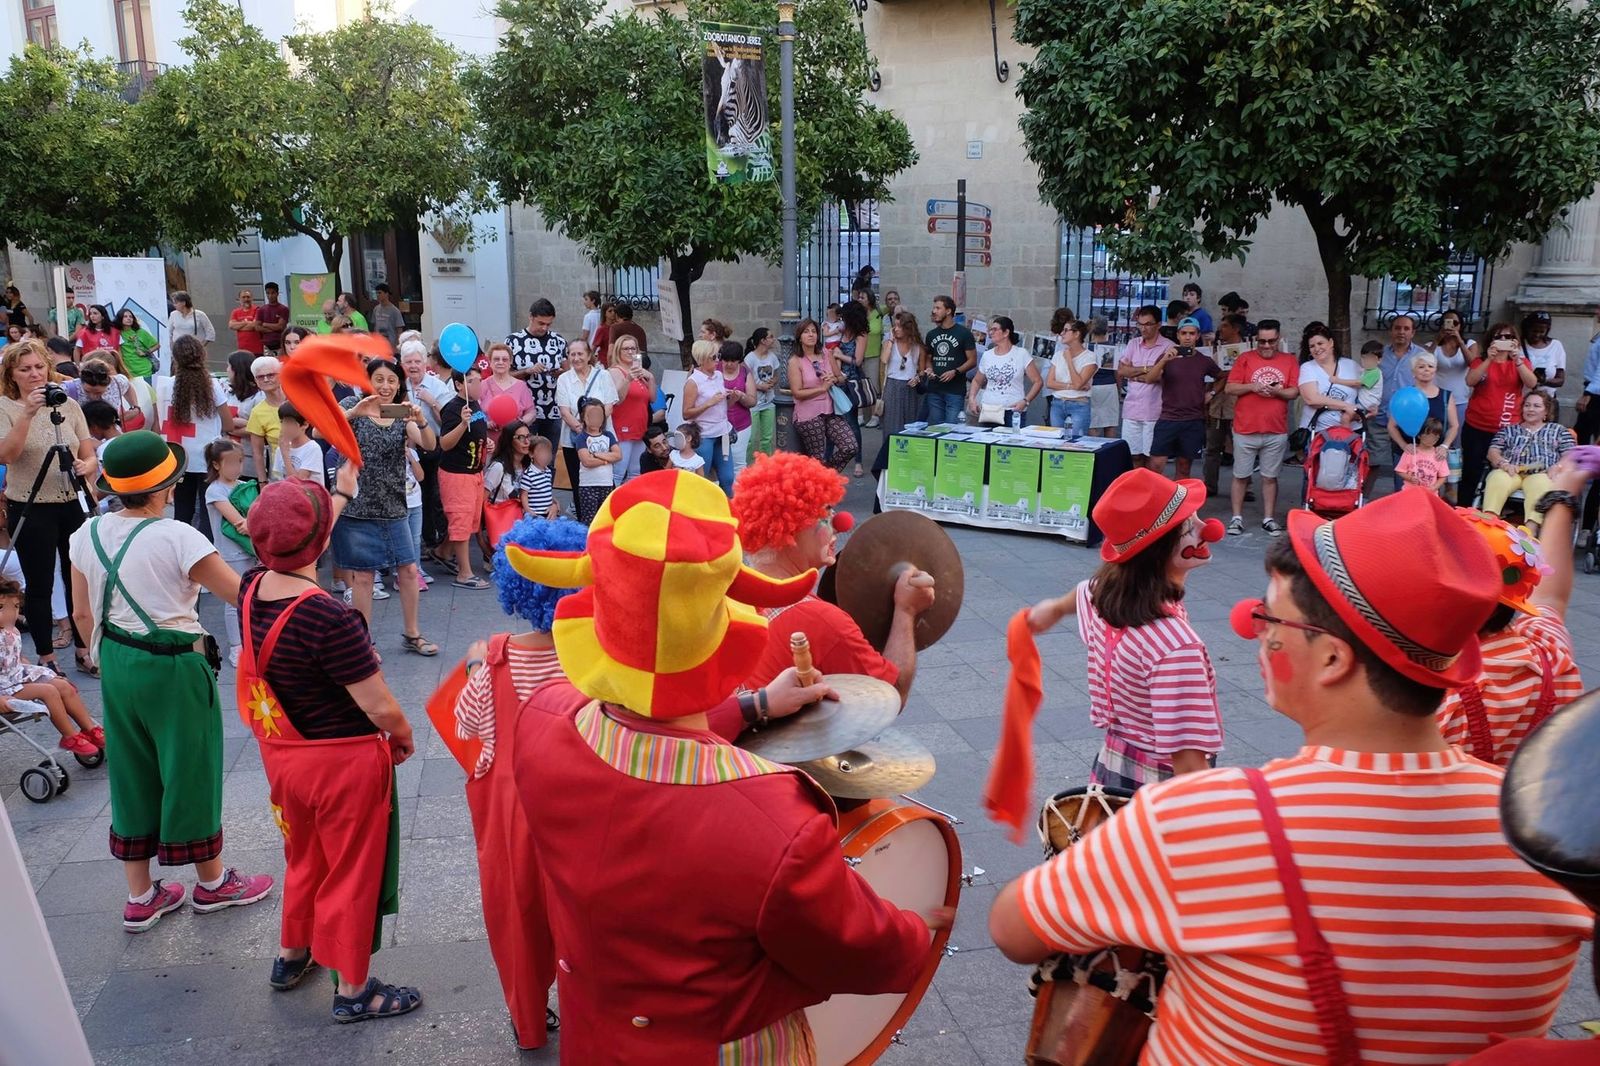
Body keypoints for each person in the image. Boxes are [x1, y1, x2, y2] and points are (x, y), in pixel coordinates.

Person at [990, 488, 1594, 1061]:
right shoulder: (1540, 837)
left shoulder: (1203, 820)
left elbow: (1013, 929)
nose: (1257, 632)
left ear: (1332, 659)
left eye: (1272, 621)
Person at [503, 471, 942, 1060]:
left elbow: (644, 739)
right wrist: (918, 927)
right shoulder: (773, 821)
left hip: (594, 1035)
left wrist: (756, 706)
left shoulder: (543, 720)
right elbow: (868, 952)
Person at [68, 431, 274, 932]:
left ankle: (141, 895)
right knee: (190, 765)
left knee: (132, 769)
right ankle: (212, 882)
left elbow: (80, 613)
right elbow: (239, 596)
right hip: (175, 662)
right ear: (169, 484)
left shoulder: (86, 534)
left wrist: (105, 659)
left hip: (117, 660)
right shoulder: (178, 535)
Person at [238, 475, 419, 1022]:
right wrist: (404, 735)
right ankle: (355, 990)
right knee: (351, 870)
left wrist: (337, 494)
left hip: (285, 757)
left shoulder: (250, 586)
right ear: (322, 544)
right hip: (340, 764)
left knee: (304, 856)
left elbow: (303, 532)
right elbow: (380, 707)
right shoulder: (330, 617)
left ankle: (292, 956)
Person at [452, 515, 589, 1049]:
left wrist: (472, 669)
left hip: (516, 819)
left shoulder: (498, 663)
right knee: (582, 922)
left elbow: (468, 724)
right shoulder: (596, 664)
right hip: (580, 810)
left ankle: (529, 1021)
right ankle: (587, 1010)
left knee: (519, 922)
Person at [1024, 468, 1223, 787]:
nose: (1208, 529)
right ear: (1158, 552)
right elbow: (1188, 765)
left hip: (1114, 768)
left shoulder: (1104, 597)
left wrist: (1054, 609)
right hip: (1160, 787)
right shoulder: (1175, 647)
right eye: (1189, 526)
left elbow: (1084, 589)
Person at [734, 452, 935, 702]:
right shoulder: (822, 620)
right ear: (789, 530)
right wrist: (906, 610)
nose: (842, 524)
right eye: (826, 515)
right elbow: (892, 695)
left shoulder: (731, 595)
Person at [1436, 466, 1588, 766]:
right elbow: (1551, 598)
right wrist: (1563, 497)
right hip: (1536, 810)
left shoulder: (1438, 697)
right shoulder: (1548, 653)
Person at [0, 339, 100, 674]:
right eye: (25, 369)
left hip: (71, 500)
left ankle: (84, 649)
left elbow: (88, 451)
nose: (34, 374)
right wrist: (28, 412)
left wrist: (88, 465)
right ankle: (46, 656)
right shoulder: (5, 406)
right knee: (39, 583)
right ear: (12, 374)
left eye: (39, 367)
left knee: (79, 580)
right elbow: (7, 456)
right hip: (30, 505)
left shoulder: (68, 404)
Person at [334, 360, 439, 655]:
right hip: (357, 504)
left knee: (408, 570)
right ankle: (363, 643)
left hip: (394, 504)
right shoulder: (354, 403)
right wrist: (355, 412)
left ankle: (412, 633)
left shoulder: (401, 410)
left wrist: (420, 419)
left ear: (398, 384)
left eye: (391, 380)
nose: (385, 386)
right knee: (364, 576)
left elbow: (429, 444)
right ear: (368, 381)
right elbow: (322, 431)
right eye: (378, 379)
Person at [0, 577, 101, 756]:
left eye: (15, 607)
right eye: (2, 608)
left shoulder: (10, 630)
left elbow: (14, 657)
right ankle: (70, 736)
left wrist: (34, 671)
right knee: (48, 691)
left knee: (63, 685)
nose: (10, 613)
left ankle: (90, 728)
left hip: (14, 678)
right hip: (3, 690)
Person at [1225, 318, 1298, 535]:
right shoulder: (1245, 358)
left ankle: (1268, 518)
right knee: (1240, 475)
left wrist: (1276, 392)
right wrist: (1252, 386)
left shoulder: (1289, 360)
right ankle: (1236, 518)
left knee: (1270, 476)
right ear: (1256, 339)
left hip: (1275, 428)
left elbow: (1294, 392)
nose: (1266, 346)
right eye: (1262, 341)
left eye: (1271, 341)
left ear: (1279, 339)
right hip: (1245, 426)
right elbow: (1230, 387)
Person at [157, 336, 233, 539]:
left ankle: (179, 553)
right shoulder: (211, 385)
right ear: (202, 354)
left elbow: (158, 423)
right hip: (207, 457)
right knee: (209, 509)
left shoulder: (164, 385)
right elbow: (228, 424)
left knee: (182, 509)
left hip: (177, 457)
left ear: (174, 358)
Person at [1461, 322, 1537, 506]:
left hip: (1507, 430)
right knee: (1471, 472)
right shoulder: (1481, 360)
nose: (1503, 340)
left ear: (1515, 341)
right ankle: (1462, 511)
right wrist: (1489, 359)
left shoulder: (1521, 362)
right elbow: (1470, 381)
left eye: (1508, 337)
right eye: (1498, 337)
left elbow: (1532, 383)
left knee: (1501, 473)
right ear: (1491, 340)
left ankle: (1492, 511)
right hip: (1477, 427)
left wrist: (1517, 360)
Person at [1147, 317, 1222, 481]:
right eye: (1184, 333)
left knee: (1184, 467)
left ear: (1197, 336)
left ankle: (1178, 504)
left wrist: (1212, 394)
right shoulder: (1167, 357)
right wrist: (1165, 360)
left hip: (1193, 420)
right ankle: (1154, 502)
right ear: (1178, 335)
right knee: (1156, 465)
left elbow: (1222, 376)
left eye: (1192, 333)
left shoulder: (1204, 360)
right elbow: (1150, 378)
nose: (1188, 337)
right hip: (1168, 418)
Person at [1481, 390, 1572, 525]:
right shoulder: (1509, 430)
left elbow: (1570, 454)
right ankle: (1488, 522)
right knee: (1497, 478)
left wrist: (1558, 466)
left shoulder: (1559, 430)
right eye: (1527, 405)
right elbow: (1493, 451)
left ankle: (1531, 530)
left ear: (1546, 411)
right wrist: (1503, 463)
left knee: (1541, 484)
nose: (1530, 409)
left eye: (1536, 406)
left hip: (1543, 473)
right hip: (1512, 470)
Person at [202, 439, 255, 668]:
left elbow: (250, 521)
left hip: (250, 551)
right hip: (231, 553)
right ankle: (236, 646)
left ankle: (250, 642)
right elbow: (238, 522)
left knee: (252, 599)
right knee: (235, 601)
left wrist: (251, 523)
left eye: (239, 462)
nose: (236, 467)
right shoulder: (214, 491)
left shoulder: (243, 486)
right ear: (216, 464)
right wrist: (251, 522)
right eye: (231, 462)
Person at [436, 368, 491, 590]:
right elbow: (445, 444)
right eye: (471, 381)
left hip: (474, 472)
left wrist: (485, 444)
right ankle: (464, 573)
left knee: (468, 520)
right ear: (459, 385)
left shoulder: (475, 405)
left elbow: (476, 432)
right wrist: (461, 424)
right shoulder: (452, 409)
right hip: (457, 474)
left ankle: (443, 552)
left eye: (479, 380)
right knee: (461, 521)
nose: (478, 385)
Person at [1387, 350, 1460, 497]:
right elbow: (1391, 426)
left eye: (1430, 366)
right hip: (1408, 454)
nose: (1426, 370)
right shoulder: (1406, 395)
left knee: (1430, 495)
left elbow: (1454, 425)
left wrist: (1444, 446)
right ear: (1413, 371)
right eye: (1421, 367)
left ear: (1435, 370)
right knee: (1403, 497)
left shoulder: (1446, 396)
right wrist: (1403, 445)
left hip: (1434, 456)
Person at [787, 319, 856, 472]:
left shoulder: (825, 353)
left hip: (830, 410)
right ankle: (820, 487)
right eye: (806, 332)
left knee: (850, 446)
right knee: (818, 456)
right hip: (808, 414)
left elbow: (841, 377)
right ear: (799, 336)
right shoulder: (795, 361)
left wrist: (834, 379)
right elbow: (797, 392)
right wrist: (822, 388)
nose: (811, 335)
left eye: (814, 331)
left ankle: (825, 474)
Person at [1370, 313, 1429, 488]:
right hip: (1379, 418)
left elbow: (1426, 385)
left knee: (1406, 467)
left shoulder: (1421, 356)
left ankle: (1401, 502)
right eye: (1397, 328)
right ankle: (1363, 499)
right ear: (1391, 331)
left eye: (1406, 328)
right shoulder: (1379, 354)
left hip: (1405, 423)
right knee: (1372, 464)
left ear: (1413, 332)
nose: (1401, 332)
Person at [554, 338, 617, 494]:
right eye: (572, 354)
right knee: (579, 484)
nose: (576, 358)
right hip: (574, 438)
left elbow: (609, 405)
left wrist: (594, 427)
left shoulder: (603, 376)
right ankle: (583, 518)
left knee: (605, 481)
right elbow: (564, 411)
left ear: (589, 355)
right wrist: (581, 429)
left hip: (602, 437)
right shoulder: (564, 379)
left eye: (580, 354)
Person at [1118, 305, 1175, 467]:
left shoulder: (1168, 347)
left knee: (1152, 457)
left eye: (1148, 324)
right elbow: (1122, 370)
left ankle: (1151, 490)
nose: (1144, 328)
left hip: (1154, 411)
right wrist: (1146, 370)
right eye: (1140, 324)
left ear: (1158, 325)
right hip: (1132, 409)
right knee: (1133, 455)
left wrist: (1136, 373)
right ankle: (1137, 489)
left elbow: (1160, 376)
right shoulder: (1133, 344)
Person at [506, 299, 568, 447]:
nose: (544, 328)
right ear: (530, 317)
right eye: (541, 323)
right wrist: (527, 371)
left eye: (548, 324)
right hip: (525, 411)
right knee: (525, 455)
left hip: (553, 410)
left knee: (549, 456)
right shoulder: (513, 341)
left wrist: (560, 373)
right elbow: (504, 376)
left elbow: (568, 372)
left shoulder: (558, 340)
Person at [681, 338, 736, 494]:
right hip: (704, 434)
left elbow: (722, 406)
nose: (717, 360)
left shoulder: (718, 375)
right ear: (702, 359)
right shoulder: (693, 382)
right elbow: (686, 413)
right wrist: (708, 403)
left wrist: (732, 398)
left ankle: (728, 512)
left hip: (722, 432)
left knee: (728, 478)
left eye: (718, 356)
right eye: (714, 357)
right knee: (702, 479)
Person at [921, 295, 976, 425]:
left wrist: (955, 371)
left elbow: (972, 360)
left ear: (948, 311)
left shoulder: (963, 333)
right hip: (934, 389)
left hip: (955, 391)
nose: (934, 311)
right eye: (934, 308)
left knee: (952, 429)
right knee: (935, 428)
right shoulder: (931, 334)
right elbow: (929, 358)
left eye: (938, 308)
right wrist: (929, 369)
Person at [607, 333, 655, 483]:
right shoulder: (614, 371)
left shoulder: (639, 372)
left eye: (633, 349)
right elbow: (617, 399)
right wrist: (628, 379)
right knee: (618, 471)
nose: (630, 352)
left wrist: (651, 378)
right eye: (625, 348)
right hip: (622, 427)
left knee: (635, 472)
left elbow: (652, 398)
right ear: (618, 351)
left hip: (639, 428)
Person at [835, 301, 871, 476]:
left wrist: (840, 355)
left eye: (844, 316)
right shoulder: (843, 332)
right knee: (833, 419)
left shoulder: (861, 335)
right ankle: (830, 458)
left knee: (852, 421)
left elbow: (858, 360)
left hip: (851, 382)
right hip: (837, 380)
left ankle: (858, 461)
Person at [479, 341, 536, 447]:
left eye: (505, 359)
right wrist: (486, 423)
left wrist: (520, 423)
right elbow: (474, 413)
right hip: (489, 443)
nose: (500, 362)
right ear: (490, 362)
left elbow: (531, 412)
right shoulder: (482, 385)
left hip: (515, 442)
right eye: (496, 359)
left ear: (510, 362)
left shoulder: (521, 386)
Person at [1047, 319, 1097, 437]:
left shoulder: (1089, 357)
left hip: (1078, 404)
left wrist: (1069, 360)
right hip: (1057, 403)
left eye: (1066, 330)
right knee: (1056, 440)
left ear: (1076, 334)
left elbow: (1079, 384)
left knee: (1075, 442)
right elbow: (1049, 382)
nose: (1062, 334)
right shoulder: (1058, 355)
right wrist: (1071, 386)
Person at [878, 311, 924, 437]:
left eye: (900, 326)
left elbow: (922, 370)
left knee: (909, 425)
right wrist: (891, 340)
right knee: (891, 426)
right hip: (893, 385)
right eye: (895, 326)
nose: (896, 329)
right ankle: (888, 454)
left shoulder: (917, 346)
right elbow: (883, 360)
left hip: (910, 386)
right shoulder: (890, 343)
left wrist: (918, 378)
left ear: (908, 328)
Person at [1429, 307, 1475, 433]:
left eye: (1455, 323)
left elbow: (1473, 364)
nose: (1451, 326)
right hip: (1436, 398)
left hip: (1460, 399)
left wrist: (1460, 341)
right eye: (1447, 322)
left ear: (1461, 325)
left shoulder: (1469, 344)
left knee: (1456, 438)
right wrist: (1437, 340)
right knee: (1433, 435)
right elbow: (1423, 361)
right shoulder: (1432, 346)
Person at [573, 400, 620, 523]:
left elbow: (618, 455)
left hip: (607, 484)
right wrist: (607, 460)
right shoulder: (581, 438)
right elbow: (586, 461)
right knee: (589, 519)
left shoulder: (608, 435)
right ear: (584, 417)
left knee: (605, 518)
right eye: (591, 415)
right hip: (588, 485)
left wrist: (597, 455)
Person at [716, 341, 756, 480]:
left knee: (739, 463)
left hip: (741, 424)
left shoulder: (745, 372)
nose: (728, 364)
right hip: (717, 425)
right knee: (720, 462)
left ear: (739, 360)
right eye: (725, 360)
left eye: (733, 361)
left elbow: (752, 401)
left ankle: (739, 495)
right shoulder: (715, 370)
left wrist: (741, 396)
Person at [742, 327, 781, 459]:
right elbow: (745, 380)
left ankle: (766, 465)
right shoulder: (750, 358)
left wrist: (772, 383)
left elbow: (776, 375)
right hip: (754, 403)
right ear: (763, 340)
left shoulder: (772, 357)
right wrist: (760, 387)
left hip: (768, 401)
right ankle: (748, 465)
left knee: (767, 438)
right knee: (751, 439)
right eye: (770, 337)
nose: (773, 339)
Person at [245, 356, 286, 481]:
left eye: (271, 375)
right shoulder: (257, 412)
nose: (266, 379)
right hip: (279, 476)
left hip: (308, 468)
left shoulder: (298, 400)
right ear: (255, 381)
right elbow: (258, 453)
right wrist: (262, 482)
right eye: (260, 377)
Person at [1395, 418, 1450, 495]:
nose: (1431, 439)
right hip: (1409, 493)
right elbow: (1399, 470)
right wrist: (1410, 478)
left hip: (1430, 494)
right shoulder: (1411, 451)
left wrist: (1434, 487)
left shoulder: (1438, 454)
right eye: (1428, 435)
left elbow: (1443, 476)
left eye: (1435, 436)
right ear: (1419, 435)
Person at [277, 404, 323, 483]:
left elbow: (298, 484)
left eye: (289, 422)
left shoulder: (312, 448)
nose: (284, 427)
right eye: (282, 422)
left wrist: (285, 455)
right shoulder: (281, 447)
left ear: (305, 425)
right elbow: (278, 480)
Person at [1522, 309, 1567, 388]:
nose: (1537, 335)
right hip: (1521, 397)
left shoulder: (1556, 345)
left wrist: (1543, 381)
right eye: (1534, 331)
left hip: (1546, 397)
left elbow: (1560, 380)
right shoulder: (1518, 345)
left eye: (1542, 332)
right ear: (1527, 328)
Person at [519, 435, 560, 519]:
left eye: (548, 452)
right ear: (531, 454)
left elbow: (546, 490)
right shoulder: (529, 474)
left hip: (547, 512)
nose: (546, 456)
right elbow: (524, 495)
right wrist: (528, 510)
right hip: (535, 513)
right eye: (542, 452)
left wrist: (553, 502)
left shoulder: (548, 471)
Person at [116, 307, 159, 380]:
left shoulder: (140, 332)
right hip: (128, 371)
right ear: (120, 319)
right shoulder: (117, 333)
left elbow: (157, 345)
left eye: (131, 317)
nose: (129, 318)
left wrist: (146, 352)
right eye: (125, 316)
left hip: (144, 370)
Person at [257, 282, 289, 356]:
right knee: (267, 366)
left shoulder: (283, 309)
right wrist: (273, 329)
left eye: (273, 293)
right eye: (268, 293)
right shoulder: (261, 309)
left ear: (277, 293)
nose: (270, 296)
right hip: (267, 345)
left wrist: (265, 324)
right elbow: (257, 327)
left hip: (280, 344)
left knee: (280, 365)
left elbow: (280, 327)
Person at [369, 284, 405, 348]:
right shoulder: (376, 309)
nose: (377, 295)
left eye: (380, 293)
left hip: (391, 343)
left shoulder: (394, 311)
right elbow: (374, 326)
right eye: (376, 293)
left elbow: (399, 329)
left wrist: (397, 345)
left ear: (386, 294)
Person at [229, 290, 263, 356]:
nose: (246, 299)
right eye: (243, 297)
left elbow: (254, 325)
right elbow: (231, 326)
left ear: (252, 298)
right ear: (239, 299)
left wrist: (239, 326)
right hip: (242, 350)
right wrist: (246, 323)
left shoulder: (258, 310)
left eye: (248, 297)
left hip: (257, 350)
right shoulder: (235, 312)